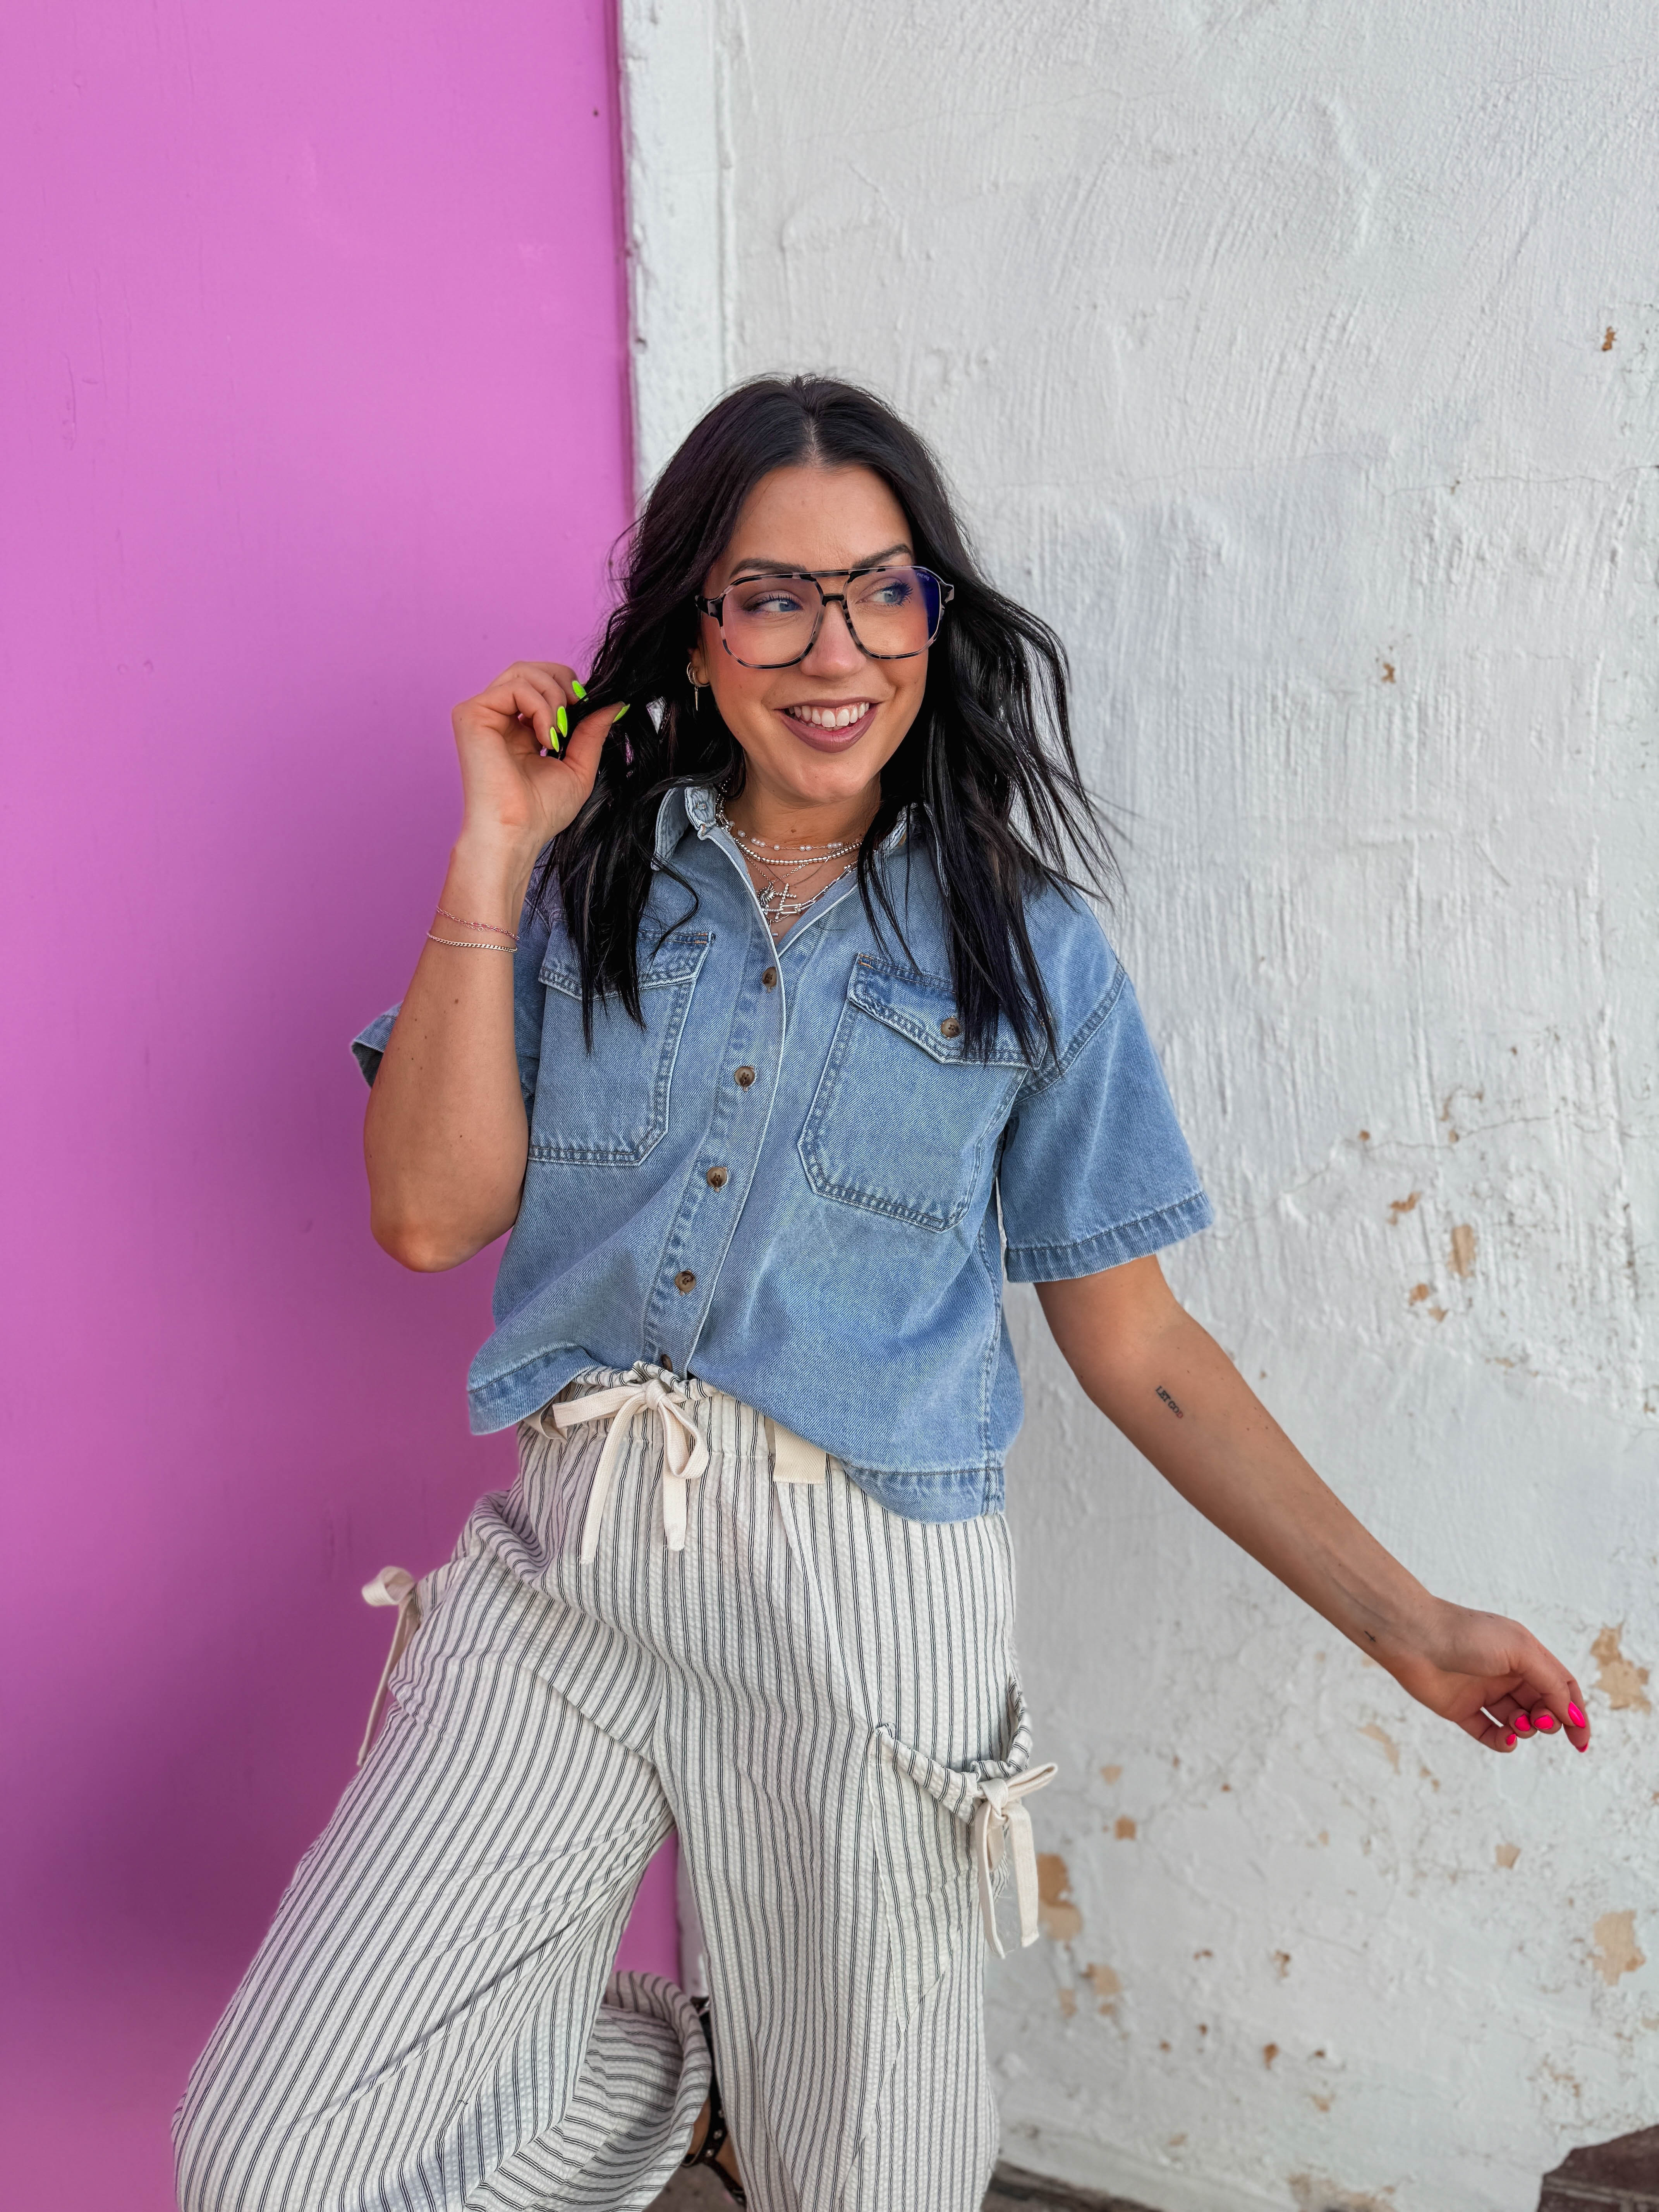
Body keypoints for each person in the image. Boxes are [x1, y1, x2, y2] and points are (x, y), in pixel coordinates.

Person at [172, 376, 1590, 2212]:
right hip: (567, 1580)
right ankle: (696, 2088)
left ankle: (795, 2105)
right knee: (278, 2154)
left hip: (861, 1612)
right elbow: (429, 1218)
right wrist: (495, 851)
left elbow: (1141, 1345)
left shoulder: (1033, 954)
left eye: (880, 591)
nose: (833, 648)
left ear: (935, 616)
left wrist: (1408, 1623)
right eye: (773, 596)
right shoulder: (587, 889)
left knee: (868, 2189)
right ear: (700, 627)